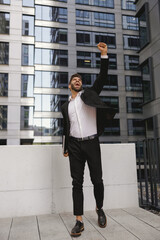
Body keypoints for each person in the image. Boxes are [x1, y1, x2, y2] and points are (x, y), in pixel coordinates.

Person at [61, 42, 117, 237]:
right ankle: (79, 221)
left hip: (92, 142)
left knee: (97, 180)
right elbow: (65, 128)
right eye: (74, 79)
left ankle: (99, 208)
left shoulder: (90, 94)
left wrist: (104, 55)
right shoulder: (65, 106)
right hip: (75, 145)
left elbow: (102, 77)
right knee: (77, 183)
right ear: (69, 85)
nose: (77, 80)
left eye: (79, 79)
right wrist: (65, 147)